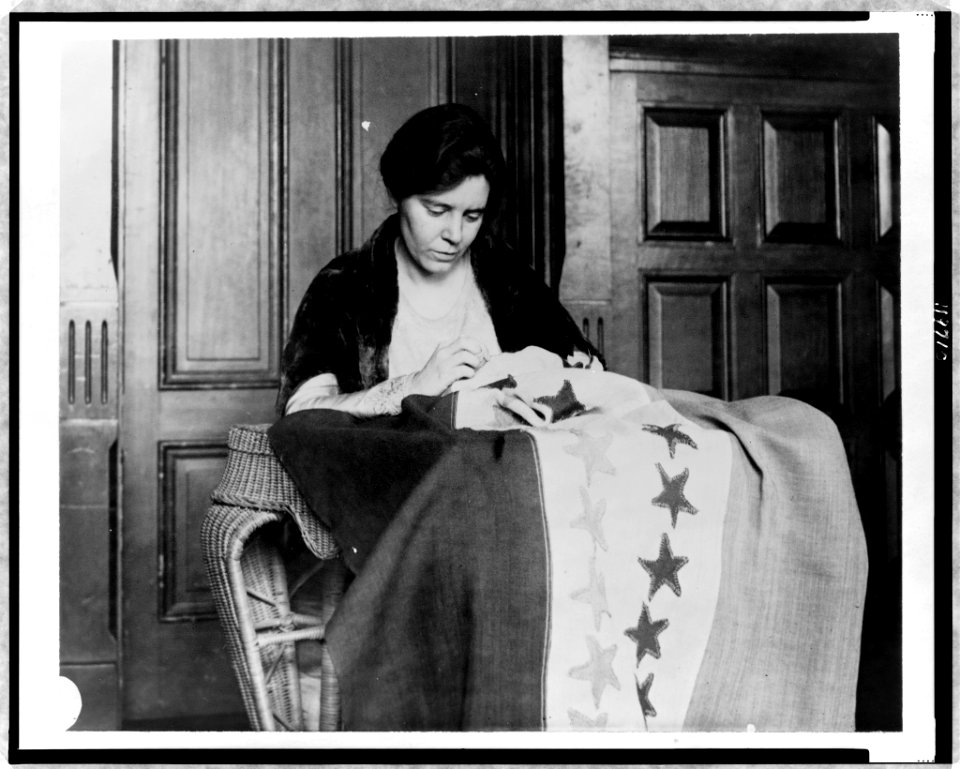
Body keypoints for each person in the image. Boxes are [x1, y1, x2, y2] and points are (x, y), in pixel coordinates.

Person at [277, 103, 601, 418]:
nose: (455, 234)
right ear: (398, 196)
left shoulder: (507, 275)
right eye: (437, 211)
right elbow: (300, 412)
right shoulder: (343, 284)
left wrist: (527, 370)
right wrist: (413, 387)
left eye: (472, 216)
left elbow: (588, 368)